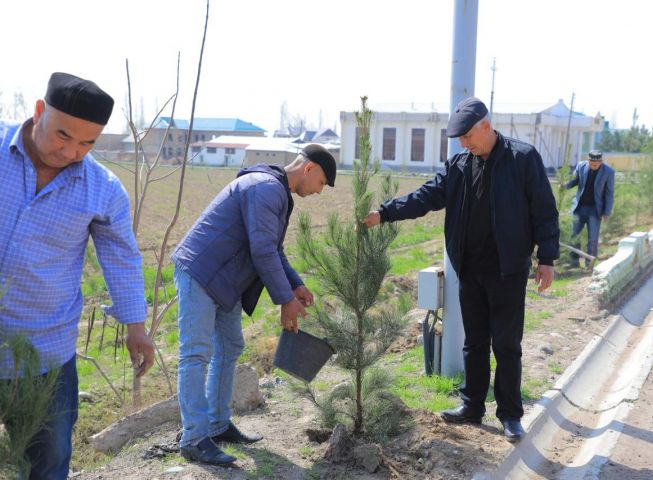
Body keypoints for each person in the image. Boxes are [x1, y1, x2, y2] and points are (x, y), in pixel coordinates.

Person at [362, 97, 559, 442]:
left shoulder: (522, 158)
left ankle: (510, 415)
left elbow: (544, 210)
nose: (464, 144)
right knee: (475, 342)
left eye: (468, 136)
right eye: (460, 139)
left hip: (508, 270)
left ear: (486, 126)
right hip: (470, 269)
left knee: (507, 345)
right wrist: (385, 213)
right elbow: (426, 196)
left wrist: (547, 258)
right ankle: (472, 405)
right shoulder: (459, 165)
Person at [0, 72, 155, 479]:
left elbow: (121, 257)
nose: (71, 152)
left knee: (48, 460)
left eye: (87, 143)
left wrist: (136, 326)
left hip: (45, 349)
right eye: (63, 135)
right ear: (39, 112)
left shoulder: (102, 189)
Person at [171, 144, 336, 465]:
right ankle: (194, 438)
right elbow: (262, 250)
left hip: (224, 279)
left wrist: (295, 284)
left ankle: (218, 424)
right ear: (309, 169)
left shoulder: (275, 190)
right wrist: (285, 300)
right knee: (195, 353)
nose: (319, 191)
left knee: (230, 345)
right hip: (201, 271)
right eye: (321, 183)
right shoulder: (265, 188)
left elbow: (272, 248)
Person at [563, 150, 615, 268]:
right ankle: (574, 262)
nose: (594, 166)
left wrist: (607, 212)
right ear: (588, 161)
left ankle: (589, 264)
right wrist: (564, 186)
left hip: (595, 210)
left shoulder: (609, 172)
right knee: (574, 235)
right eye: (592, 163)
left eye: (596, 164)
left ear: (601, 162)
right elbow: (574, 181)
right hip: (579, 207)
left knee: (592, 238)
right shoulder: (581, 167)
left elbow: (609, 193)